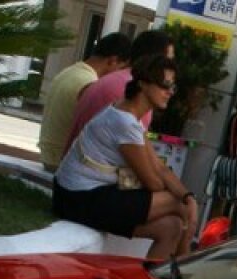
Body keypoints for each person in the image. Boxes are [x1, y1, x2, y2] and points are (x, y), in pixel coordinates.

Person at [53, 55, 198, 261]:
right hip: (77, 198)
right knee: (178, 205)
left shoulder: (129, 116)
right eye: (165, 85)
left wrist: (189, 196)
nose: (170, 92)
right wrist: (187, 205)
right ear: (143, 84)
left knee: (170, 228)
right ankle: (185, 261)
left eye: (172, 87)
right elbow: (154, 182)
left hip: (82, 194)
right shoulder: (124, 122)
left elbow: (160, 167)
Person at [65, 29, 174, 158]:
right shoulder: (132, 91)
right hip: (89, 172)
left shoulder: (115, 79)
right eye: (168, 61)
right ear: (155, 61)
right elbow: (141, 161)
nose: (171, 69)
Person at [37, 34, 132, 172]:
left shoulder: (69, 72)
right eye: (121, 70)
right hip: (63, 161)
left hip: (48, 155)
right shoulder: (90, 83)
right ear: (113, 61)